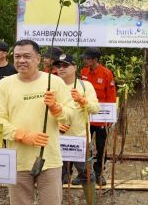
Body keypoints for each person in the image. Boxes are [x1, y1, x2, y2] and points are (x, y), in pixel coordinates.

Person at [0, 40, 74, 205]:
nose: (21, 60)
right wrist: (22, 136)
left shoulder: (55, 82)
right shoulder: (4, 85)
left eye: (27, 56)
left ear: (38, 58)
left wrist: (56, 108)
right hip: (18, 159)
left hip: (49, 159)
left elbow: (70, 116)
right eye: (17, 56)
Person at [53, 53, 99, 203]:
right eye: (58, 66)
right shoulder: (51, 85)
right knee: (56, 175)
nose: (61, 68)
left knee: (87, 174)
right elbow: (44, 111)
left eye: (65, 65)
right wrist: (57, 123)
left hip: (80, 140)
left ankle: (91, 202)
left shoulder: (85, 86)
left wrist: (82, 100)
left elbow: (95, 108)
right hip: (56, 140)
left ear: (75, 67)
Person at [80, 47, 116, 186]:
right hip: (87, 117)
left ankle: (99, 173)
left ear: (95, 60)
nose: (84, 60)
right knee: (85, 146)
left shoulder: (106, 73)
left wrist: (110, 119)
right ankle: (85, 173)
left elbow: (111, 97)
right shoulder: (83, 72)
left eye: (87, 58)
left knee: (101, 148)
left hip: (101, 118)